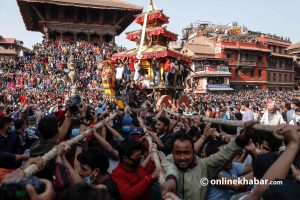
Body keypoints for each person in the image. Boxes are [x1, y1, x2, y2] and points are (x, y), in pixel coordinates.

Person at [160, 122, 256, 200]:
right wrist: (171, 180)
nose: (182, 157)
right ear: (172, 153)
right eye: (178, 153)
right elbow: (170, 168)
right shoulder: (169, 160)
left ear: (194, 152)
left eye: (186, 153)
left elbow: (226, 153)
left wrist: (244, 136)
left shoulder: (204, 166)